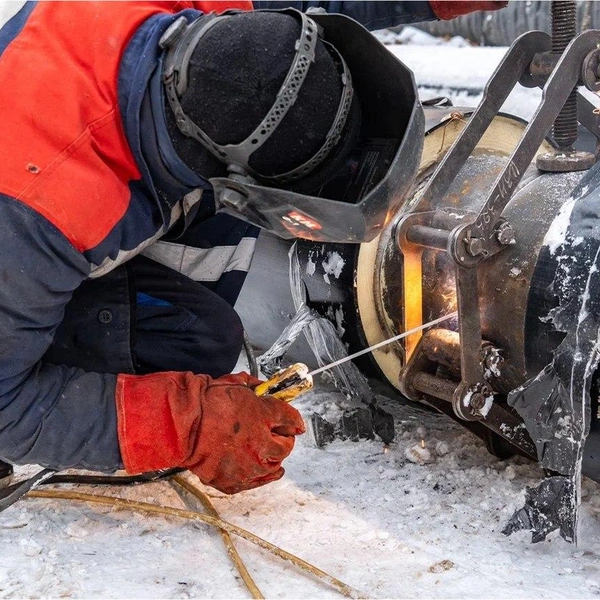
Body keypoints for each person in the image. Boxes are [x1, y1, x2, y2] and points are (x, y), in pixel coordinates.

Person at [0, 0, 506, 494]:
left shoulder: (225, 22)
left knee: (201, 334)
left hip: (66, 164)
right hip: (24, 214)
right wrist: (189, 425)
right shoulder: (40, 213)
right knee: (181, 349)